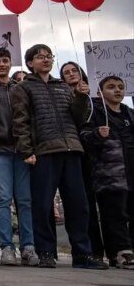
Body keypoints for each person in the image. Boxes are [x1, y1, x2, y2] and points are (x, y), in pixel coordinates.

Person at [11, 45, 107, 270]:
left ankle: (82, 253)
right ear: (30, 63)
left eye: (48, 56)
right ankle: (45, 251)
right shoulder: (23, 88)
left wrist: (82, 98)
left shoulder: (64, 87)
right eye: (39, 57)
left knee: (78, 204)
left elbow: (79, 117)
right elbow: (20, 121)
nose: (45, 60)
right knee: (42, 205)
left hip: (71, 149)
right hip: (44, 151)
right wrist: (26, 150)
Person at [0, 48, 38, 266]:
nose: (1, 64)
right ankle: (7, 247)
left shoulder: (22, 88)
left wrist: (30, 148)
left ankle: (28, 246)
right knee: (1, 198)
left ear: (10, 63)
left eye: (5, 60)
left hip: (22, 150)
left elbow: (31, 118)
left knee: (24, 199)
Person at [80, 76, 134, 269]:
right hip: (108, 174)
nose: (117, 90)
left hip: (130, 172)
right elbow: (83, 135)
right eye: (111, 87)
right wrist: (96, 134)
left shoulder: (129, 113)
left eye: (120, 87)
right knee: (114, 215)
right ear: (101, 92)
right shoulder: (95, 111)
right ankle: (120, 251)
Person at [60, 61, 106, 263]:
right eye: (66, 73)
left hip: (100, 157)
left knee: (103, 205)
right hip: (76, 152)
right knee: (81, 203)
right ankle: (89, 250)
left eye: (74, 71)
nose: (71, 75)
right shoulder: (63, 97)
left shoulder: (98, 99)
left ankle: (108, 250)